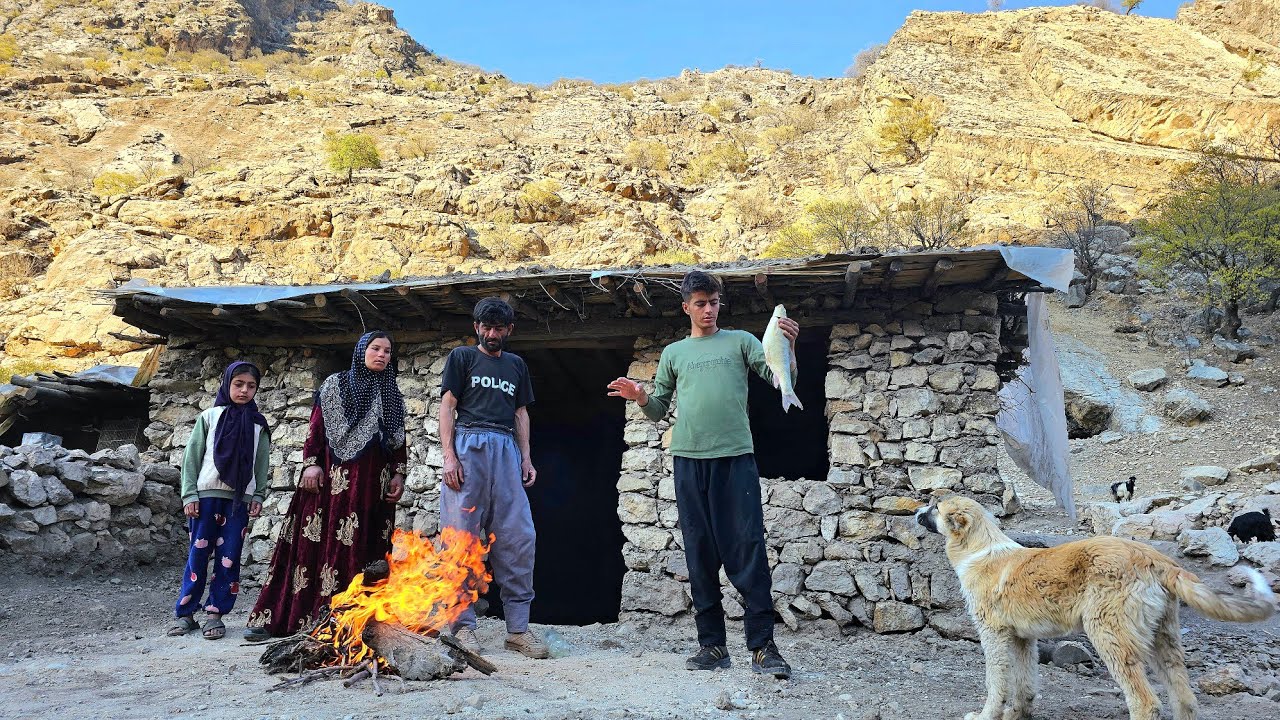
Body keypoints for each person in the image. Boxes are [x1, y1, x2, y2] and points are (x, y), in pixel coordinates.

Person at [606, 270, 799, 679]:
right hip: (688, 461)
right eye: (699, 303)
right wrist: (640, 396)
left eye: (712, 302)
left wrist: (788, 345)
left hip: (736, 458)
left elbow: (780, 379)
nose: (708, 310)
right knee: (699, 551)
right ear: (686, 307)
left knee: (747, 548)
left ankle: (763, 647)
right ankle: (711, 646)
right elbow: (658, 408)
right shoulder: (675, 353)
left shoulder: (742, 342)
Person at [244, 331, 406, 640]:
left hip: (374, 489)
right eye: (375, 348)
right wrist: (312, 463)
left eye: (387, 351)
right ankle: (292, 620)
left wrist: (399, 474)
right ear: (362, 352)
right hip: (332, 485)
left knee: (368, 553)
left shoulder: (392, 394)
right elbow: (315, 428)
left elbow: (399, 442)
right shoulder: (335, 385)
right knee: (314, 550)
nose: (382, 355)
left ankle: (358, 626)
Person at [438, 297, 545, 659]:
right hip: (469, 444)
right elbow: (448, 407)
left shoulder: (516, 365)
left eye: (499, 328)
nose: (492, 333)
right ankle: (462, 628)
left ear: (509, 330)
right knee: (462, 536)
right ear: (476, 327)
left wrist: (526, 457)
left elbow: (521, 413)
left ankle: (517, 629)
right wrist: (449, 456)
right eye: (486, 327)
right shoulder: (462, 358)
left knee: (518, 536)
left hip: (506, 449)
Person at [168, 361, 271, 640]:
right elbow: (192, 458)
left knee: (230, 558)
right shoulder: (210, 417)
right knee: (197, 556)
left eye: (251, 386)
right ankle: (186, 613)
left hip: (238, 501)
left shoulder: (258, 425)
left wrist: (258, 494)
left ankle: (215, 613)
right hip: (206, 497)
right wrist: (189, 493)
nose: (244, 390)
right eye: (238, 384)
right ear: (227, 384)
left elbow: (261, 464)